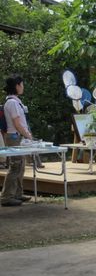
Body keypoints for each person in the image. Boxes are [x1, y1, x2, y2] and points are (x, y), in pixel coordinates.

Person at [0, 76, 33, 207]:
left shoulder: (14, 101)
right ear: (17, 86)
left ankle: (17, 193)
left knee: (21, 166)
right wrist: (28, 135)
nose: (23, 87)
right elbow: (17, 123)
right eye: (22, 84)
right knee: (15, 166)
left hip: (17, 137)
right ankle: (7, 197)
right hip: (14, 137)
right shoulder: (12, 103)